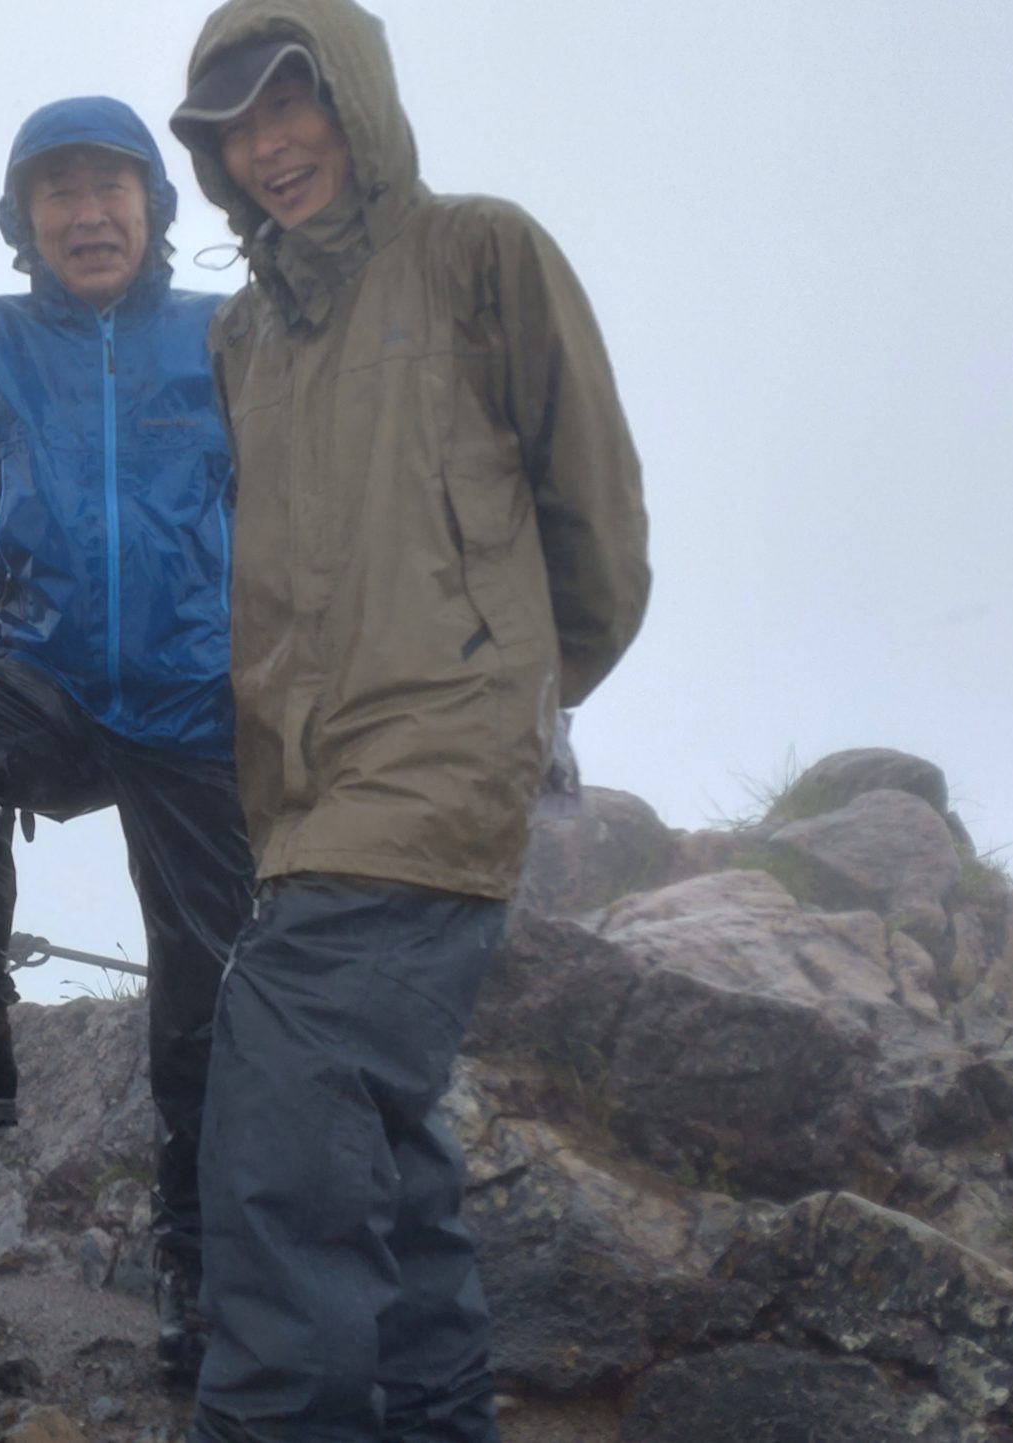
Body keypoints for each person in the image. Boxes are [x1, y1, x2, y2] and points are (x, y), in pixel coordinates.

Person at [167, 2, 651, 1438]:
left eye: (289, 103)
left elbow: (596, 523)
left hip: (436, 764)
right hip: (300, 799)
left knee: (276, 1146)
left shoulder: (478, 252)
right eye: (232, 127)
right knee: (378, 1153)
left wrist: (509, 693)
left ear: (355, 99)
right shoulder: (244, 334)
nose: (266, 146)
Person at [0, 96, 255, 1378]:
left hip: (197, 705)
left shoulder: (224, 336)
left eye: (110, 188)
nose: (86, 214)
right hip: (48, 683)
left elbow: (290, 508)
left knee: (208, 1008)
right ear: (22, 222)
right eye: (58, 193)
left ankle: (200, 1275)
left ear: (154, 207)